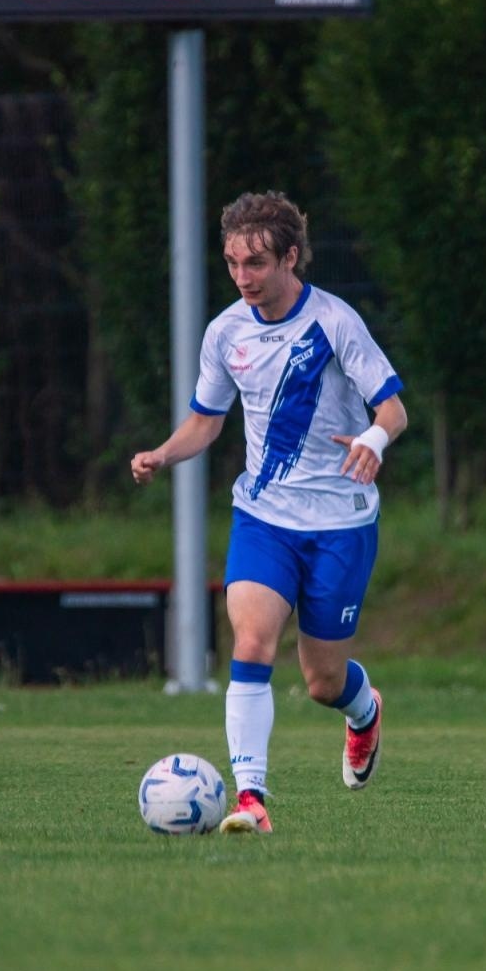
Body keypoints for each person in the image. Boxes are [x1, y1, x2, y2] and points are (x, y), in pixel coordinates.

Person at [131, 191, 407, 834]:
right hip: (264, 516)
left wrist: (372, 440)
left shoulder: (336, 322)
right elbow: (206, 421)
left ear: (289, 258)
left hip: (340, 522)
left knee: (321, 680)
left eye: (255, 263)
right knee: (251, 642)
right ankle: (251, 798)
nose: (242, 277)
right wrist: (164, 455)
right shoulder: (225, 332)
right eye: (231, 263)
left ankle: (363, 713)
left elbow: (393, 409)